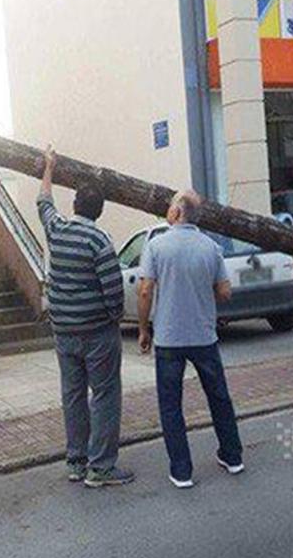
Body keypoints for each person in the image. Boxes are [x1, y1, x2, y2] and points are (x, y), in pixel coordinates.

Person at [36, 145, 133, 488]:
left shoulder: (57, 230)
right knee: (105, 395)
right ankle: (101, 467)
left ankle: (76, 462)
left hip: (63, 333)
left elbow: (43, 202)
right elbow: (113, 293)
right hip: (97, 334)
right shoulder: (100, 242)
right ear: (99, 211)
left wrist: (49, 166)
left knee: (73, 395)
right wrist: (113, 318)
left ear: (75, 205)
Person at [138, 190, 244, 488]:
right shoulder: (211, 248)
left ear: (176, 213)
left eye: (171, 205)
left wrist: (144, 329)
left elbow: (145, 290)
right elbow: (225, 292)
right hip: (203, 335)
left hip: (169, 339)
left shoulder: (157, 246)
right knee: (219, 397)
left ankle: (182, 470)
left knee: (171, 405)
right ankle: (233, 456)